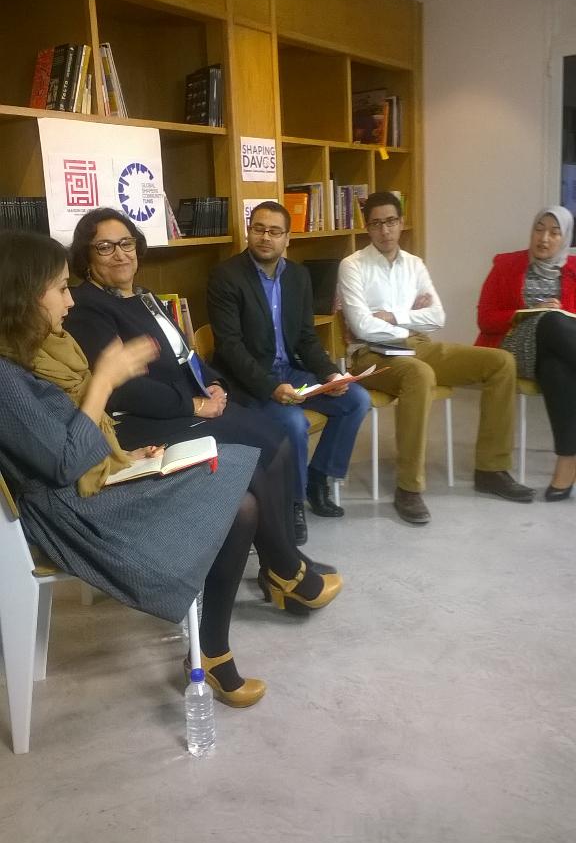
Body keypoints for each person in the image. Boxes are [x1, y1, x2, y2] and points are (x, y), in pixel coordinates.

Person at [0, 231, 341, 711]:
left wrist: (125, 456)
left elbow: (67, 439)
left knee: (240, 481)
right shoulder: (5, 379)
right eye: (59, 288)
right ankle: (240, 624)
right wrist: (104, 380)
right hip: (75, 513)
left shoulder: (37, 351)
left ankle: (227, 635)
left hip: (91, 480)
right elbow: (63, 461)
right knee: (240, 499)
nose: (69, 300)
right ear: (24, 297)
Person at [65, 207, 339, 592]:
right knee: (255, 454)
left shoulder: (144, 297)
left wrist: (213, 383)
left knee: (276, 438)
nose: (120, 254)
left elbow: (187, 354)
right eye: (105, 247)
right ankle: (286, 569)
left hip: (180, 406)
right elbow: (123, 387)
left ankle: (281, 559)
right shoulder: (87, 306)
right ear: (86, 256)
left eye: (126, 243)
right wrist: (195, 404)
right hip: (142, 423)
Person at [337, 191, 534, 525]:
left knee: (500, 362)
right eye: (376, 224)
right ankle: (408, 487)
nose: (385, 230)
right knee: (420, 374)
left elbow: (438, 317)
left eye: (391, 221)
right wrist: (411, 317)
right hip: (370, 354)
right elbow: (361, 326)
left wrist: (393, 316)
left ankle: (491, 469)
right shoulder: (353, 265)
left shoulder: (414, 264)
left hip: (418, 345)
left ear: (401, 223)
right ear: (367, 228)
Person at [207, 201, 371, 536]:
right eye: (258, 229)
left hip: (290, 373)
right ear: (249, 231)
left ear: (287, 238)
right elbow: (230, 348)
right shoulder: (226, 276)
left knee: (356, 400)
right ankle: (293, 502)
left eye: (274, 231)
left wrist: (330, 374)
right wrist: (270, 387)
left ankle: (318, 478)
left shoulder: (298, 276)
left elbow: (307, 338)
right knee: (294, 423)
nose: (265, 237)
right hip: (249, 382)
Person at [476, 205, 576, 500]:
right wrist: (531, 312)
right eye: (539, 229)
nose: (544, 238)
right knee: (551, 320)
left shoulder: (573, 270)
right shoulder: (506, 264)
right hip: (512, 347)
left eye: (554, 233)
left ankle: (567, 462)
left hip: (557, 352)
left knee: (556, 368)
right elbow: (485, 318)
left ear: (566, 238)